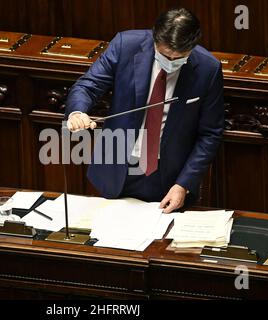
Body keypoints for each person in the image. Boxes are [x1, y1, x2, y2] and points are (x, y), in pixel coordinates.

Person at [65, 8, 224, 213]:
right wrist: (77, 112)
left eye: (179, 58)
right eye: (166, 56)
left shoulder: (208, 69)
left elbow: (210, 134)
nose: (171, 63)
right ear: (154, 39)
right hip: (116, 167)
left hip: (168, 178)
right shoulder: (125, 45)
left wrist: (184, 183)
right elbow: (87, 86)